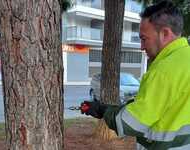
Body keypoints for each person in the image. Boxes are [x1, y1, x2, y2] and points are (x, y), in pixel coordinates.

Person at [81, 1, 190, 149]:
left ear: (165, 34)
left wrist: (104, 111)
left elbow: (132, 122)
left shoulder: (164, 70)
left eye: (144, 39)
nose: (141, 47)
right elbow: (160, 105)